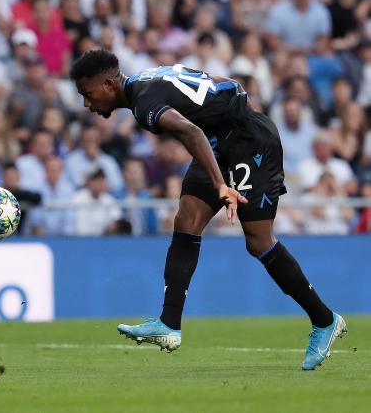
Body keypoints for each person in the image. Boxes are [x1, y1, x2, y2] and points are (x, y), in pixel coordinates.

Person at [70, 49, 345, 371]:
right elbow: (223, 84)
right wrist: (238, 106)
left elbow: (191, 131)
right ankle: (169, 323)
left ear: (107, 85)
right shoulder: (148, 76)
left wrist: (219, 183)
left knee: (258, 241)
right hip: (219, 142)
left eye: (87, 95)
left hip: (248, 143)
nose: (87, 104)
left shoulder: (144, 104)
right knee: (186, 219)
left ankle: (325, 320)